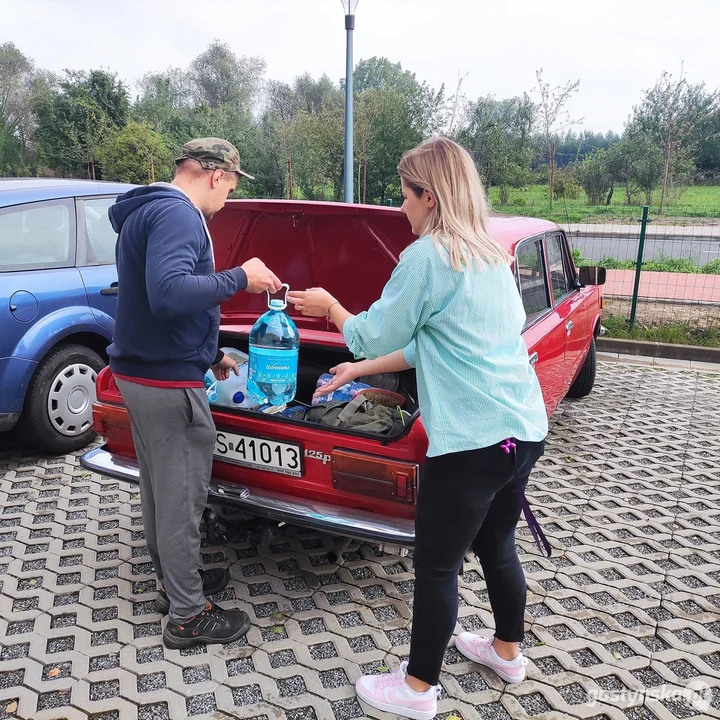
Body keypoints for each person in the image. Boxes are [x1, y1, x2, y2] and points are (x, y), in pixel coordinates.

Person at [288, 137, 548, 720]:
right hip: (521, 432)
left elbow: (371, 332)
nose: (400, 208)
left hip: (472, 440)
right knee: (497, 542)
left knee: (436, 565)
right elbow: (426, 344)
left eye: (404, 196)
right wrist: (357, 370)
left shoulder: (427, 258)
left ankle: (417, 689)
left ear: (428, 196)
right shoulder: (487, 257)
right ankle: (507, 651)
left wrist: (331, 307)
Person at [108, 138, 282, 649]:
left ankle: (173, 584)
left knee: (160, 490)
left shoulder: (145, 211)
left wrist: (210, 354)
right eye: (231, 183)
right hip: (166, 384)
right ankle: (187, 616)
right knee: (182, 498)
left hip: (141, 374)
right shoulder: (180, 216)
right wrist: (241, 277)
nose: (229, 196)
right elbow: (168, 294)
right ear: (214, 175)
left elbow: (148, 298)